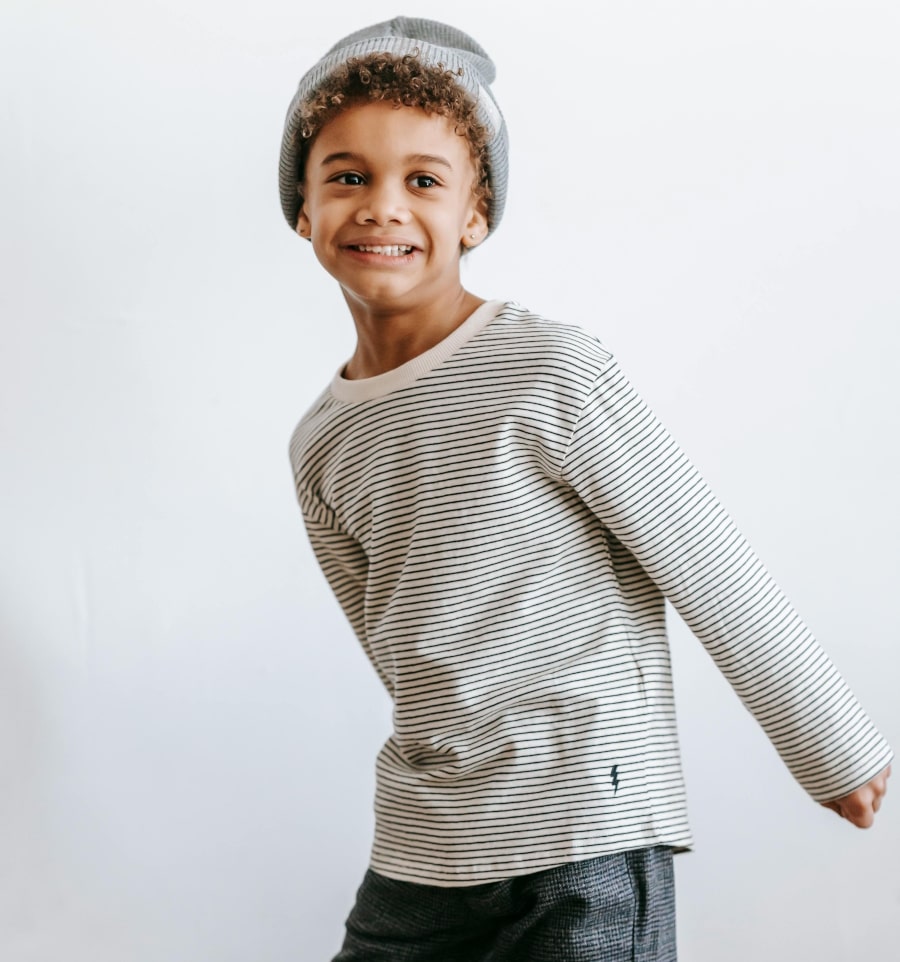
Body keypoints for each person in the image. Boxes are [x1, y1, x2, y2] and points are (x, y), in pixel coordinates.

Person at [279, 16, 892, 961]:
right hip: (426, 835)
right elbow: (390, 643)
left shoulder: (550, 371)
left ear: (476, 214)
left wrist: (832, 748)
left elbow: (707, 560)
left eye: (424, 181)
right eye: (347, 176)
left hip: (586, 826)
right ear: (303, 209)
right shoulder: (321, 441)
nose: (382, 206)